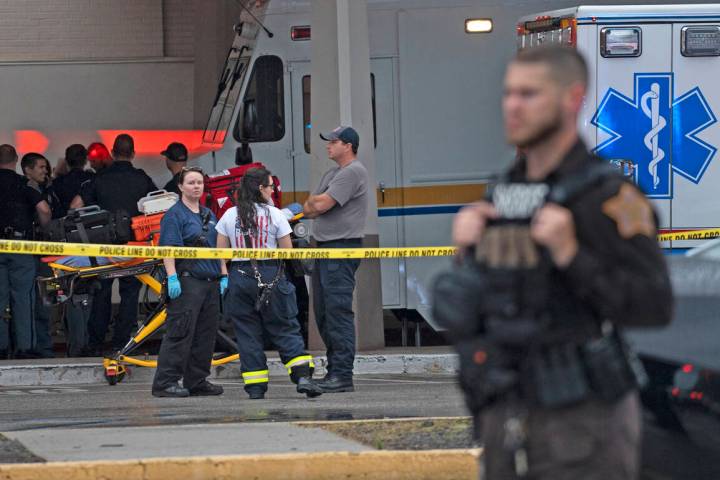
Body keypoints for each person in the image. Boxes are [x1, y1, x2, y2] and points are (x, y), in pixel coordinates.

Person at [448, 46, 672, 479]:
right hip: (506, 410)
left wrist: (572, 254)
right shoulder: (502, 195)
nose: (513, 106)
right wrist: (466, 254)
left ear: (572, 98)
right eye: (509, 93)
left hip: (583, 417)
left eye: (529, 94)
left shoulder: (606, 196)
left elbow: (653, 304)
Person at [217, 167, 322, 400]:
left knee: (247, 333)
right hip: (272, 274)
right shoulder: (275, 215)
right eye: (270, 186)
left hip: (239, 276)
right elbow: (288, 252)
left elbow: (221, 254)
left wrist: (226, 278)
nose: (273, 190)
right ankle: (303, 377)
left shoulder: (229, 215)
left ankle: (256, 388)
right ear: (261, 189)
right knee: (285, 328)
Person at [71, 133, 157, 354]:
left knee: (101, 292)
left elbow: (75, 206)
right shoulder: (142, 178)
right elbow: (155, 204)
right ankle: (123, 342)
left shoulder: (99, 178)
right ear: (134, 153)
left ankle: (96, 342)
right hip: (134, 245)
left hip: (105, 246)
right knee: (129, 294)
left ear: (112, 152)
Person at [302, 126, 368, 393]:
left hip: (341, 249)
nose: (328, 145)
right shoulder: (332, 173)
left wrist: (314, 204)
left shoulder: (353, 172)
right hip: (325, 249)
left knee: (338, 312)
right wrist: (313, 204)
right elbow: (310, 207)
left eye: (334, 141)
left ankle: (342, 375)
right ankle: (334, 372)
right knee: (324, 313)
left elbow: (317, 206)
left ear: (348, 145)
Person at [152, 166, 226, 397]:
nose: (196, 186)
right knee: (180, 333)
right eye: (191, 182)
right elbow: (169, 249)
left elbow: (218, 249)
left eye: (200, 183)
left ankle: (197, 380)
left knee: (206, 334)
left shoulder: (208, 214)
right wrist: (172, 277)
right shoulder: (175, 215)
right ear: (181, 187)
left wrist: (224, 274)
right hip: (188, 282)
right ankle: (165, 383)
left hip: (211, 281)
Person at [0, 145, 51, 359]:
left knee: (0, 298)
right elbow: (44, 210)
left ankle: (2, 347)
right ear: (16, 160)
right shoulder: (24, 184)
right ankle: (24, 347)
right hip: (20, 245)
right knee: (23, 297)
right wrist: (45, 229)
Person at [53, 144, 94, 217]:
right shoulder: (93, 179)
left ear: (66, 161)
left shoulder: (57, 183)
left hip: (66, 223)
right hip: (92, 221)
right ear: (85, 160)